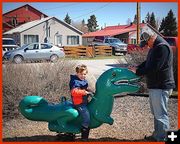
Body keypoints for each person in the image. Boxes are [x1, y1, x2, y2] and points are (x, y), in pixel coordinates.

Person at [129, 31, 175, 141]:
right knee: (157, 113)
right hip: (156, 86)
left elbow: (154, 68)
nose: (146, 45)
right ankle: (157, 136)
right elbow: (148, 62)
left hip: (161, 86)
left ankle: (164, 138)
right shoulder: (155, 47)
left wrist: (138, 71)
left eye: (146, 43)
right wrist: (137, 67)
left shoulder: (162, 48)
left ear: (151, 38)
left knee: (161, 114)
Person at [69, 64, 92, 141]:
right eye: (81, 74)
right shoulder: (75, 82)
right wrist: (84, 92)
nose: (83, 76)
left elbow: (84, 88)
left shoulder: (83, 80)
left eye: (84, 74)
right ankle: (84, 138)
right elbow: (74, 92)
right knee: (87, 118)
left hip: (84, 101)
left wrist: (89, 90)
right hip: (79, 103)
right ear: (77, 73)